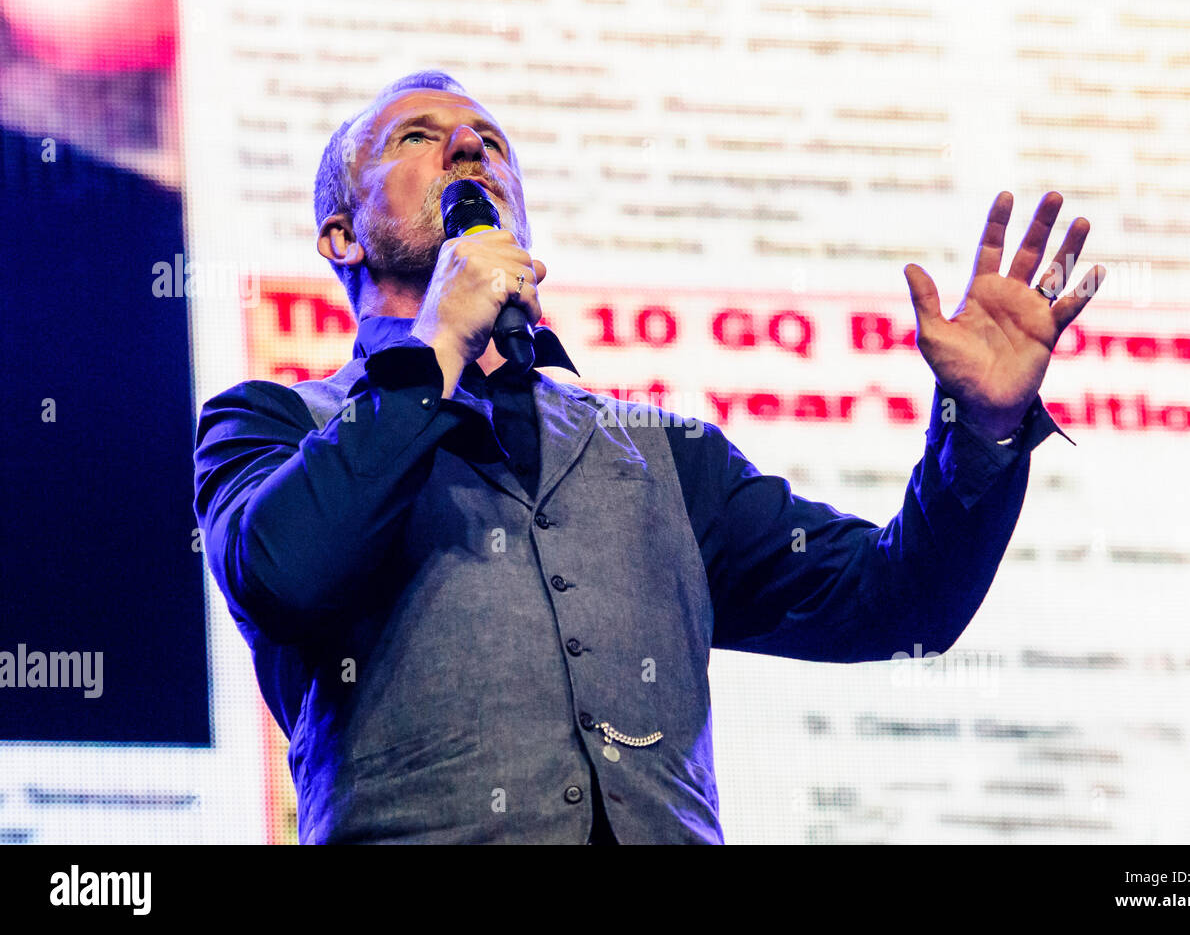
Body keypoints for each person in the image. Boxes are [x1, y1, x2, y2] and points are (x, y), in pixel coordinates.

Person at [193, 70, 1104, 844]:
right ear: (341, 235)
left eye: (491, 143)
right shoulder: (270, 423)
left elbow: (898, 601)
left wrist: (981, 429)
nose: (469, 151)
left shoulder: (661, 454)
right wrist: (434, 347)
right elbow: (285, 573)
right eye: (420, 137)